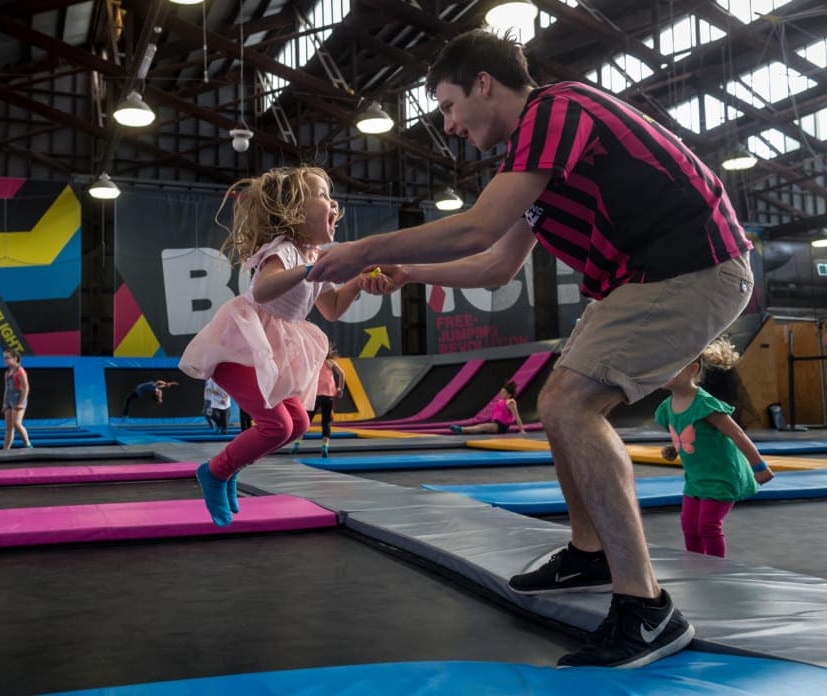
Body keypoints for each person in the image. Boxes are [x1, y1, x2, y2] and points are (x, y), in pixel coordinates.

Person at [309, 28, 754, 668]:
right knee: (558, 403)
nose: (449, 126)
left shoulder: (557, 110)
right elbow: (496, 264)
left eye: (448, 106)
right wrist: (411, 273)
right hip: (646, 276)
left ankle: (646, 608)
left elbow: (478, 225)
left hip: (694, 265)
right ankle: (588, 552)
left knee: (572, 403)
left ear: (484, 84)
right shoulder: (532, 155)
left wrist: (367, 249)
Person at [179, 165, 377, 527]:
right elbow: (261, 290)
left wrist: (358, 284)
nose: (332, 202)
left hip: (275, 346)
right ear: (295, 211)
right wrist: (307, 272)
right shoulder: (284, 250)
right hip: (240, 347)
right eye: (321, 194)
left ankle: (231, 465)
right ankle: (215, 472)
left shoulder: (315, 256)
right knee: (277, 427)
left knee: (299, 423)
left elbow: (330, 309)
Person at [656, 338, 773, 558]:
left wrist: (760, 467)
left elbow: (737, 434)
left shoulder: (705, 404)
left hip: (723, 476)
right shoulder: (666, 408)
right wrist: (674, 449)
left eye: (671, 368)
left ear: (692, 369)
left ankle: (716, 571)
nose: (663, 372)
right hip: (696, 479)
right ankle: (696, 568)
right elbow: (689, 432)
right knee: (689, 527)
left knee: (707, 526)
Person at [290, 346, 345, 457]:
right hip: (328, 396)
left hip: (315, 396)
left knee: (306, 420)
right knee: (326, 422)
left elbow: (303, 376)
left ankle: (297, 443)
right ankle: (325, 446)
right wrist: (340, 388)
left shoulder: (314, 362)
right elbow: (341, 374)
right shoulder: (330, 362)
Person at [449, 380, 525, 434]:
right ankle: (462, 430)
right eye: (501, 391)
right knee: (482, 427)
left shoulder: (510, 403)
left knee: (482, 427)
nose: (501, 393)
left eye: (503, 392)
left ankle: (461, 429)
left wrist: (522, 430)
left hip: (501, 427)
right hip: (497, 424)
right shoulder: (502, 401)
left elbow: (517, 416)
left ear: (509, 395)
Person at [1, 349, 31, 450]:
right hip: (9, 399)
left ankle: (27, 444)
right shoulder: (7, 373)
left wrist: (21, 402)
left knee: (17, 424)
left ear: (15, 359)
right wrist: (4, 403)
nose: (4, 360)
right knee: (9, 428)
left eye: (7, 358)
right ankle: (6, 449)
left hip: (18, 399)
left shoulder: (20, 371)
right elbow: (6, 389)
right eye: (4, 358)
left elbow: (25, 387)